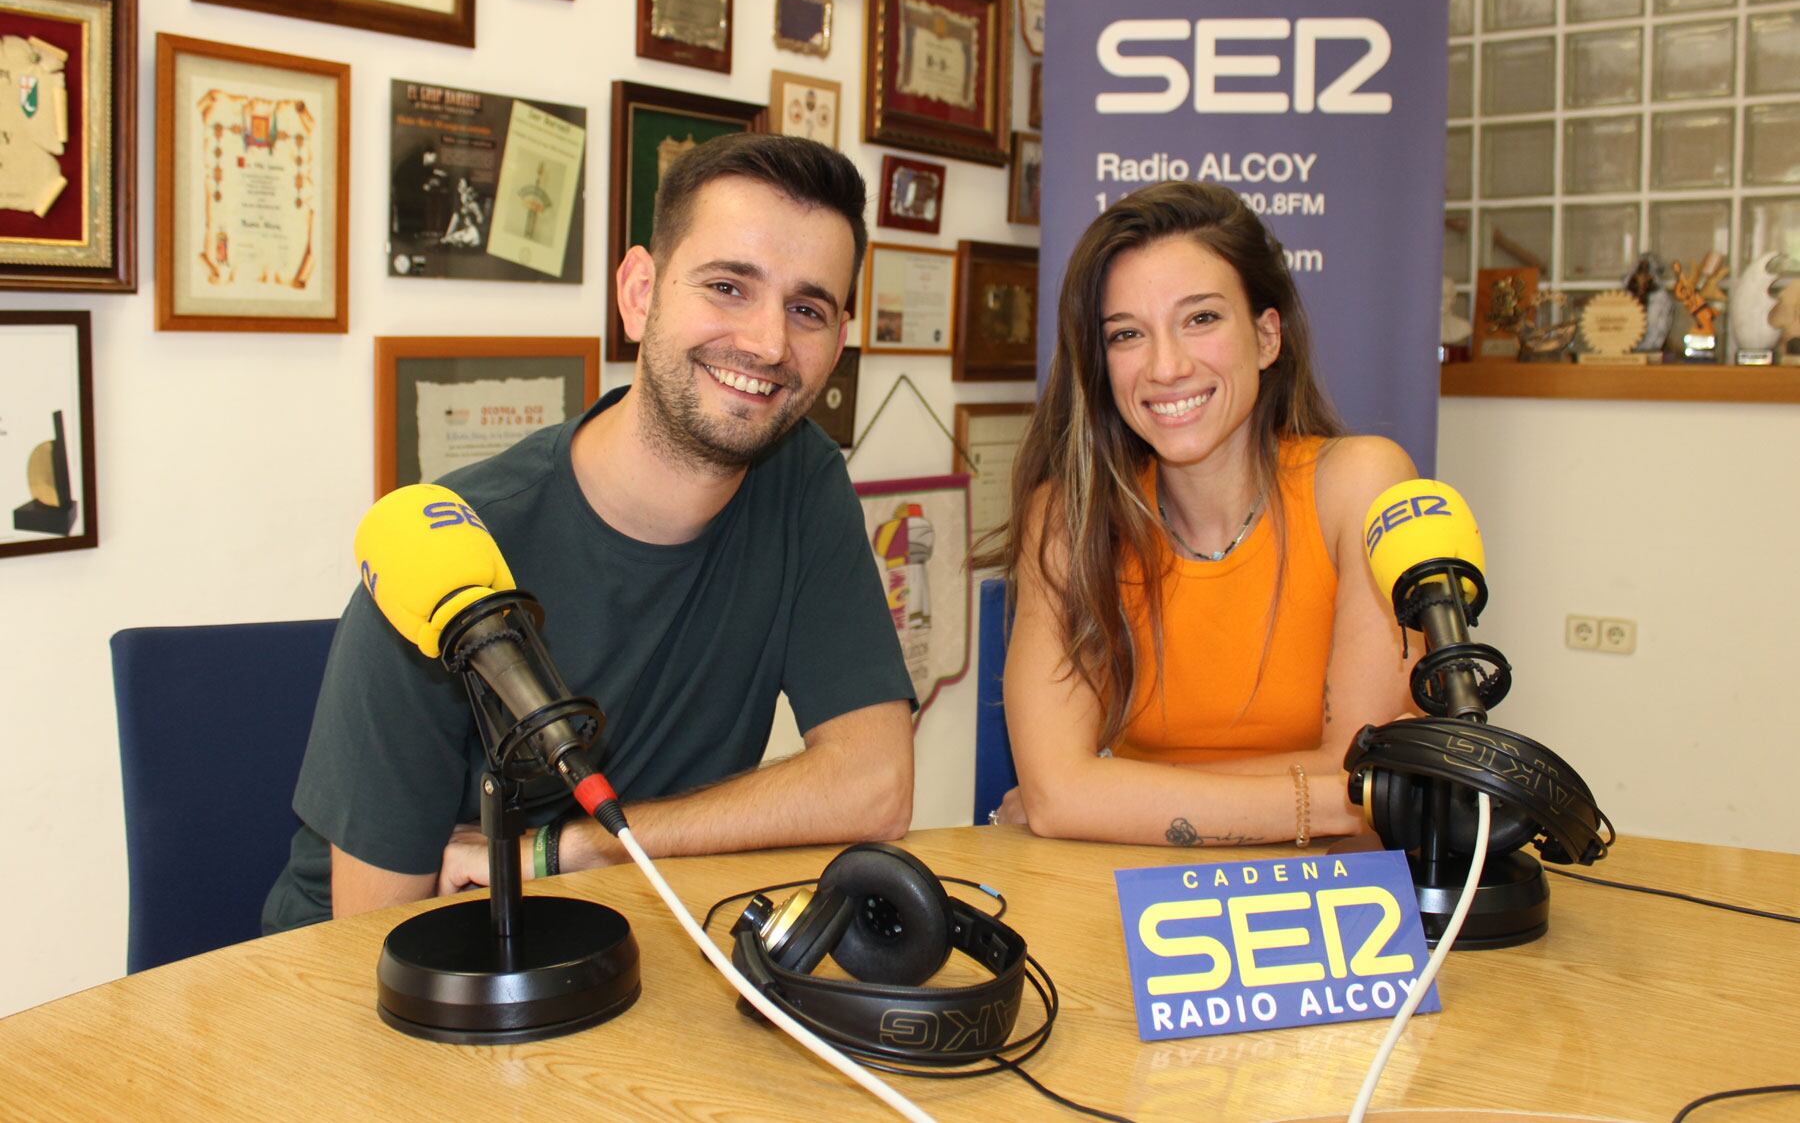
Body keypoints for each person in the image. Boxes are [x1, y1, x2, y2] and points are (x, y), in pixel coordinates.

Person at [263, 135, 916, 932]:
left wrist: (572, 849)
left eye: (807, 309)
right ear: (640, 293)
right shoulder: (454, 549)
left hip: (622, 939)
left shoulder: (801, 479)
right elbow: (374, 947)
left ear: (838, 343)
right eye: (727, 286)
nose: (769, 344)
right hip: (376, 979)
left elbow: (875, 784)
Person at [981, 181, 1417, 848]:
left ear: (1267, 335)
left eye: (1201, 319)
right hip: (1138, 905)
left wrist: (1113, 788)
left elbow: (1374, 779)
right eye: (1127, 334)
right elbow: (1057, 795)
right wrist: (1330, 796)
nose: (1166, 365)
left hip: (1341, 904)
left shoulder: (1361, 484)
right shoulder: (1071, 518)